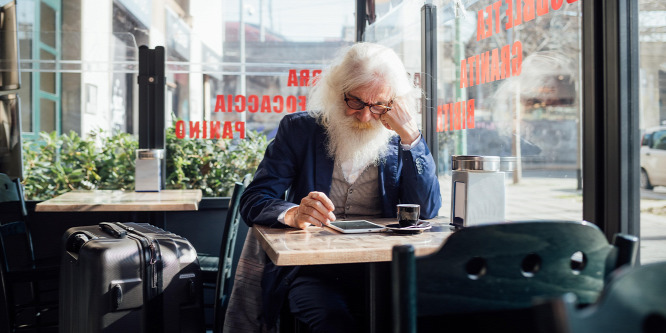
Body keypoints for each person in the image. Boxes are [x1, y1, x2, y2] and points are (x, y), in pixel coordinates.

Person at [238, 42, 442, 332]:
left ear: (395, 103)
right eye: (355, 101)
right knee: (334, 323)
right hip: (312, 270)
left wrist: (411, 137)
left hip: (383, 269)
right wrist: (294, 213)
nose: (365, 116)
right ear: (337, 91)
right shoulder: (299, 130)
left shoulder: (403, 141)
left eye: (378, 105)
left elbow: (428, 210)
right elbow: (254, 198)